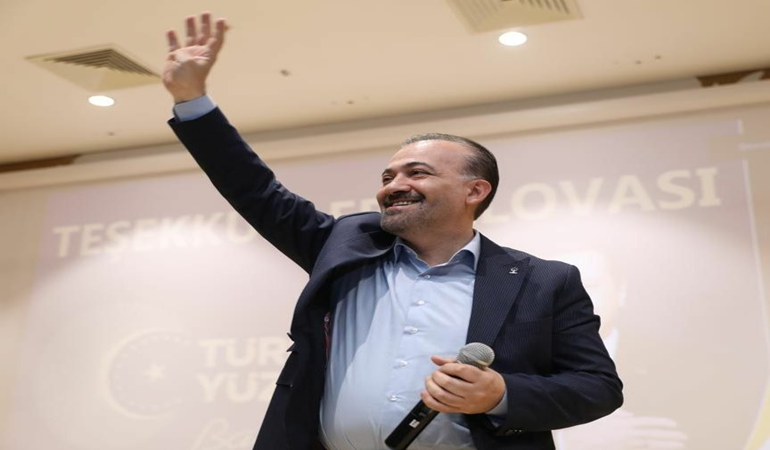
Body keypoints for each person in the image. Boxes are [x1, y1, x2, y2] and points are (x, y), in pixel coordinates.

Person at [163, 12, 623, 450]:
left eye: (417, 173)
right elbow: (255, 190)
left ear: (474, 190)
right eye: (388, 177)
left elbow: (597, 387)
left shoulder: (545, 281)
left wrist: (500, 394)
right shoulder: (342, 246)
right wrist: (191, 99)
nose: (393, 186)